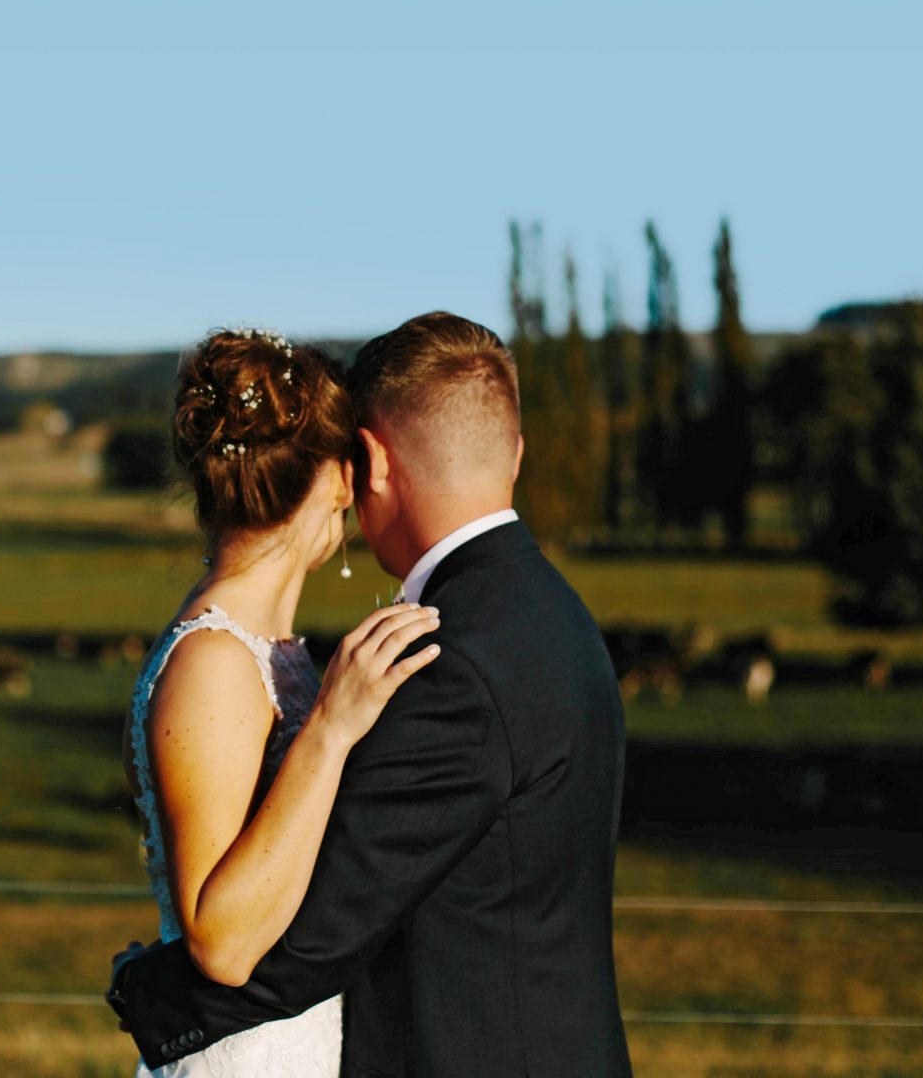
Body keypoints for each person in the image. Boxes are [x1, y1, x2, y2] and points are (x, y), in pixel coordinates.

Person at [112, 311, 633, 1078]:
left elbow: (323, 924)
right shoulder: (548, 612)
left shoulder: (452, 657)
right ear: (515, 453)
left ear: (372, 464)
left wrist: (153, 992)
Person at [123, 327, 444, 1075]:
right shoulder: (214, 662)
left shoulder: (273, 651)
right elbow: (221, 942)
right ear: (336, 477)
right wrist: (330, 730)